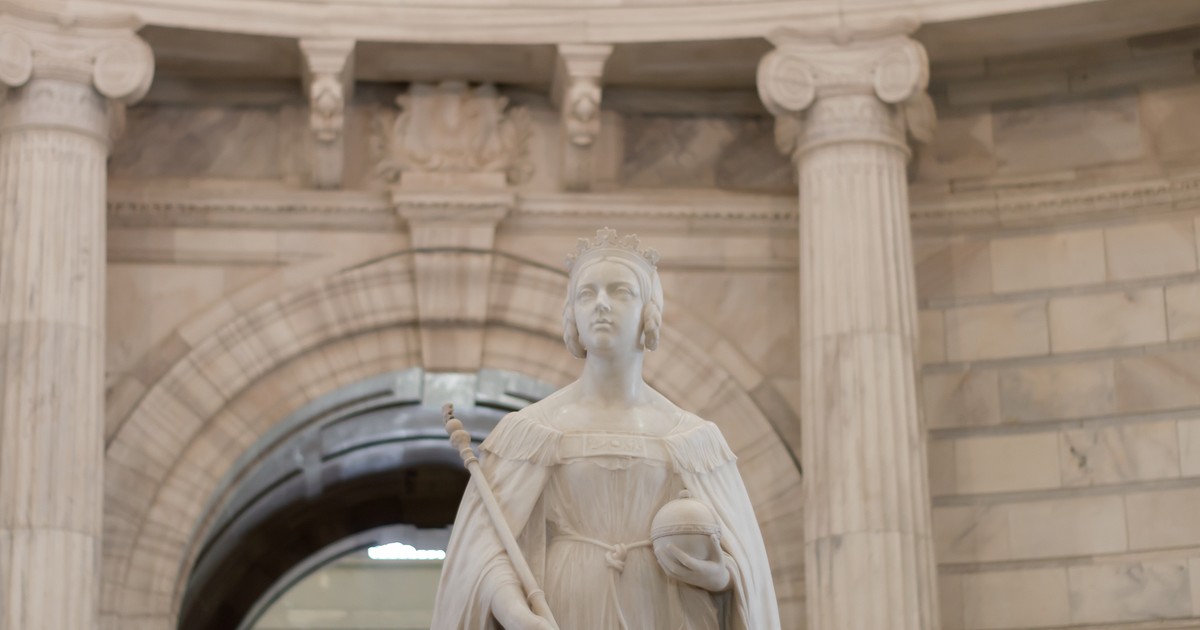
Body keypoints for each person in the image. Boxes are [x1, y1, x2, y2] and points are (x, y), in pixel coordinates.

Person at [430, 228, 780, 630]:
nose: (601, 304)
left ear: (649, 311)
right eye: (586, 293)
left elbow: (748, 565)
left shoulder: (693, 439)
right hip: (566, 605)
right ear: (572, 315)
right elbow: (484, 553)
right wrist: (515, 613)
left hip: (662, 610)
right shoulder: (528, 432)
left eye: (620, 291)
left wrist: (721, 575)